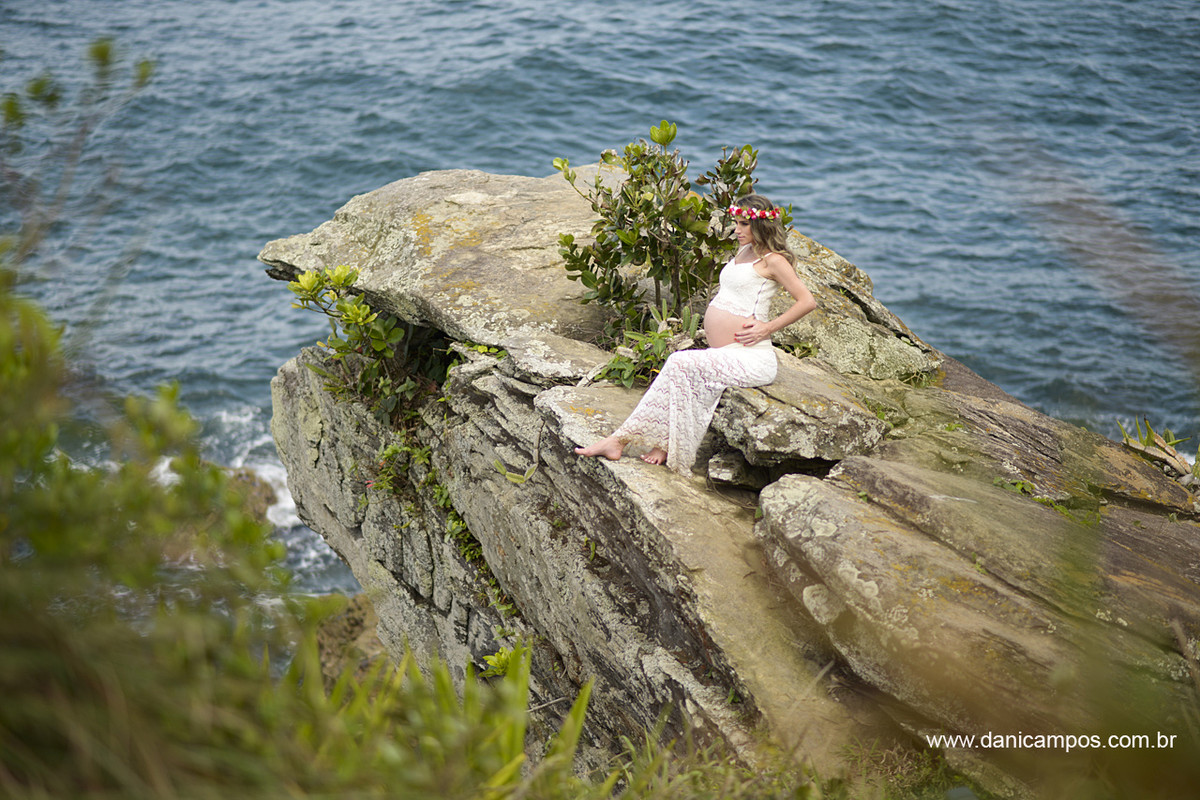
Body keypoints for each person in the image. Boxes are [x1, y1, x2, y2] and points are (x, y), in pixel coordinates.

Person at [574, 194, 817, 474]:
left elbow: (807, 301)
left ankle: (619, 440)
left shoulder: (774, 261)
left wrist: (766, 327)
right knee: (682, 372)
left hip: (752, 357)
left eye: (743, 225)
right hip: (725, 352)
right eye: (736, 223)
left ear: (761, 226)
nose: (736, 230)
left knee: (679, 362)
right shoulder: (743, 252)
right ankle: (659, 443)